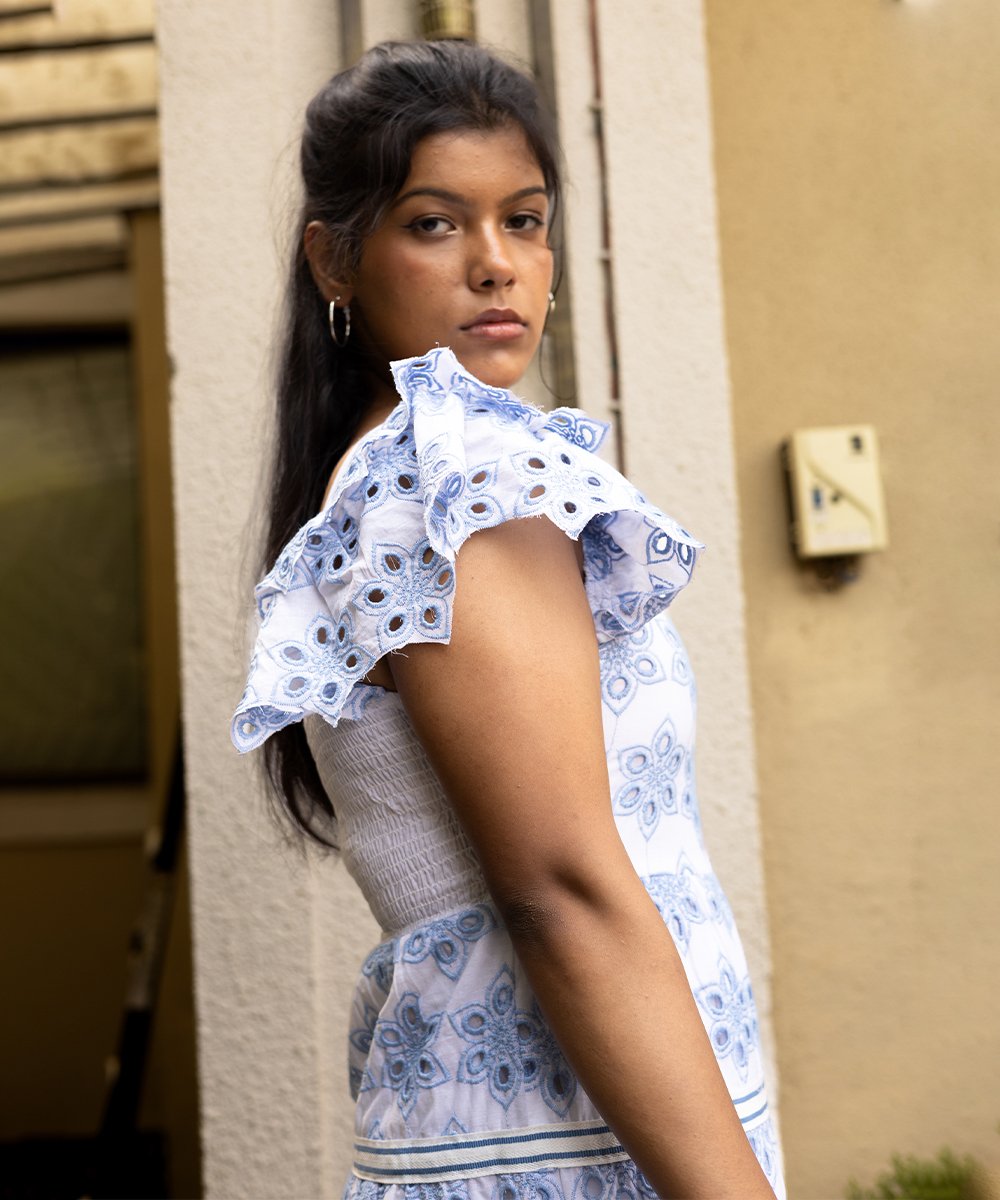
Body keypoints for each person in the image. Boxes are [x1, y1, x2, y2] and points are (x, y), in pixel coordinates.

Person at [232, 39, 785, 1200]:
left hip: (548, 1126)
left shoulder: (391, 478)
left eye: (523, 221)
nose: (497, 265)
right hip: (575, 1143)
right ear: (335, 259)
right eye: (435, 224)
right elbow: (562, 890)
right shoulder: (454, 482)